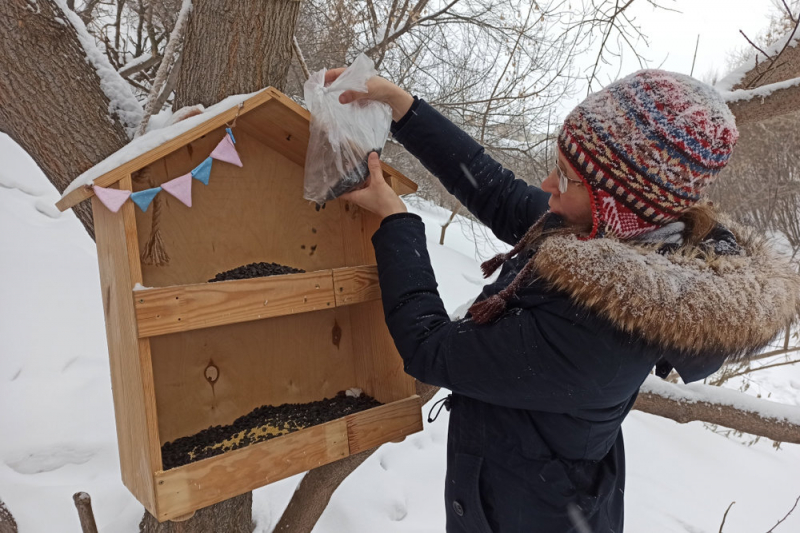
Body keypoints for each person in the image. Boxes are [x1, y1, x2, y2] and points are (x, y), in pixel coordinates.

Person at [326, 68, 800, 532]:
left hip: (528, 514)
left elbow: (430, 347)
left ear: (619, 199)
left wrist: (396, 220)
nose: (550, 186)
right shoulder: (617, 234)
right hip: (515, 491)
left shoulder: (602, 329)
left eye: (566, 177)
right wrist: (402, 107)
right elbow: (497, 191)